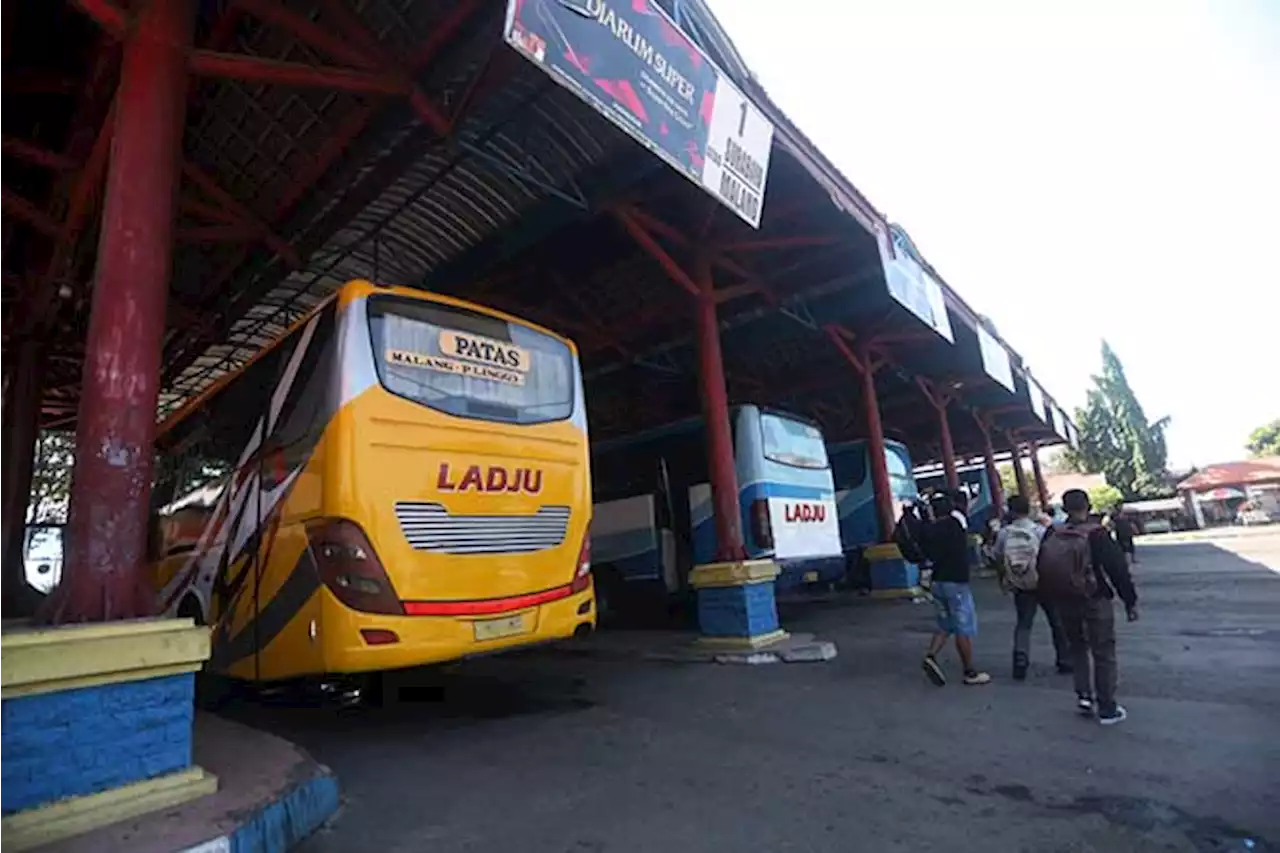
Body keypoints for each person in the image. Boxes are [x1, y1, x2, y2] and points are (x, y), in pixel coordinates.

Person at [1037, 489, 1138, 725]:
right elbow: (1118, 570)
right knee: (1103, 652)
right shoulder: (1097, 534)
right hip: (1094, 598)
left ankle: (1084, 697)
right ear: (1089, 506)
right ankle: (1107, 707)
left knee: (1077, 648)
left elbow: (1044, 565)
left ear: (1064, 507)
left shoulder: (1053, 532)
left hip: (1064, 599)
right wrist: (1129, 601)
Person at [994, 494, 1070, 680]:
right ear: (1028, 510)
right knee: (1056, 622)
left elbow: (998, 556)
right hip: (1044, 582)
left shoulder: (1004, 533)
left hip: (1021, 583)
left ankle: (1021, 658)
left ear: (1010, 511)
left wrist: (1004, 578)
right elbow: (1052, 555)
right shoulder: (1039, 530)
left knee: (1024, 623)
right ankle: (1065, 659)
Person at [920, 493, 991, 687]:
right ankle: (969, 671)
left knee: (945, 624)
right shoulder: (955, 525)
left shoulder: (929, 530)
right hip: (956, 583)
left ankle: (931, 655)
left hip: (937, 582)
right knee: (963, 627)